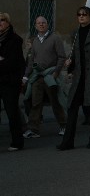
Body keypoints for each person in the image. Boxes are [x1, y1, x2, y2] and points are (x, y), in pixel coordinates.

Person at [57, 7, 90, 150]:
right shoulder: (75, 33)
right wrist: (70, 63)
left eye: (84, 15)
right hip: (79, 76)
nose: (81, 17)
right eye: (79, 14)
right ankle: (68, 142)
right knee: (72, 108)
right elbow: (75, 54)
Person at [22, 16, 67, 138]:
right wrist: (26, 76)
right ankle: (34, 129)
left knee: (55, 101)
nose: (41, 25)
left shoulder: (55, 38)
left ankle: (64, 125)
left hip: (51, 76)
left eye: (43, 23)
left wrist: (56, 72)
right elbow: (32, 61)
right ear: (35, 26)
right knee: (35, 103)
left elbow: (62, 57)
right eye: (39, 23)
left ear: (47, 25)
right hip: (38, 77)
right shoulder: (35, 41)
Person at [0, 12, 26, 151]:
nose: (0, 22)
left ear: (8, 23)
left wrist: (3, 61)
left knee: (12, 112)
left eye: (2, 20)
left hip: (10, 82)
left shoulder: (15, 39)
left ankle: (17, 142)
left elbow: (12, 63)